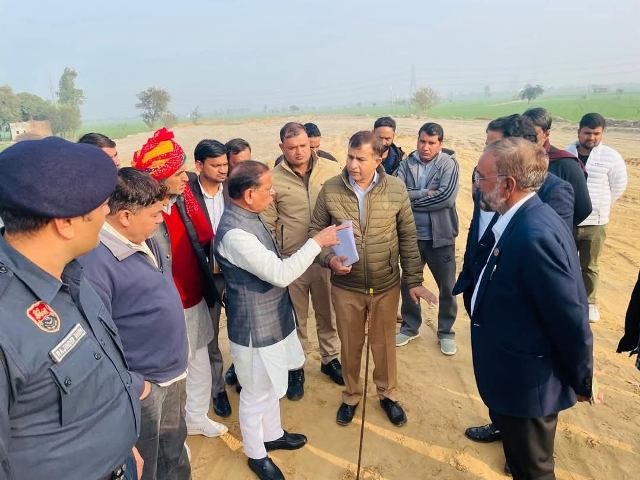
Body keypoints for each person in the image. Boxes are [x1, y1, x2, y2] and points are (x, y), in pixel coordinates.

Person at [0, 137, 144, 479]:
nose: (107, 213)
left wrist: (122, 444)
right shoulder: (7, 325)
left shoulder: (69, 271)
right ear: (64, 222)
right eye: (101, 205)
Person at [469, 137, 593, 479]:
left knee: (532, 471)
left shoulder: (534, 233)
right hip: (513, 375)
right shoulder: (520, 217)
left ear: (508, 185)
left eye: (481, 177)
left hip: (528, 387)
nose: (477, 185)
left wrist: (581, 378)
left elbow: (569, 316)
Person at [214, 160, 343, 480]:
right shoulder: (235, 234)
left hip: (273, 317)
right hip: (255, 328)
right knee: (255, 392)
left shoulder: (249, 215)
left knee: (270, 383)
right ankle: (256, 454)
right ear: (249, 195)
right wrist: (317, 242)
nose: (273, 194)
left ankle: (272, 434)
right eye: (268, 189)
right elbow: (281, 273)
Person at [460, 114, 575, 445]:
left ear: (517, 147)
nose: (486, 152)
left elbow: (551, 266)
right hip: (484, 292)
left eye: (493, 145)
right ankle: (501, 423)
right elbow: (479, 226)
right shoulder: (486, 178)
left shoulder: (554, 191)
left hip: (520, 309)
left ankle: (526, 449)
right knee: (497, 371)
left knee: (526, 390)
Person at [309, 130, 437, 427]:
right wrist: (329, 260)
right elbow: (315, 232)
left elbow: (408, 236)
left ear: (379, 159)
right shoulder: (331, 189)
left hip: (385, 285)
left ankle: (387, 394)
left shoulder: (396, 189)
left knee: (384, 345)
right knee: (350, 344)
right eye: (350, 157)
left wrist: (414, 279)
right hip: (346, 286)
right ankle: (351, 395)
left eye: (361, 159)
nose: (353, 165)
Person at [80, 168, 191, 480]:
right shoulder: (95, 264)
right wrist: (134, 384)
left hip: (171, 375)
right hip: (144, 388)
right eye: (155, 214)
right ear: (125, 216)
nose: (161, 220)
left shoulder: (146, 238)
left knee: (174, 451)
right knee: (148, 463)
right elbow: (93, 343)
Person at [132, 128, 228, 438]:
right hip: (167, 308)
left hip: (194, 297)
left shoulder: (182, 202)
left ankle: (197, 417)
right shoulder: (145, 217)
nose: (186, 178)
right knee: (172, 376)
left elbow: (205, 235)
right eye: (177, 173)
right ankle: (172, 434)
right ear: (159, 178)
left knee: (200, 362)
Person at [262, 122, 344, 401]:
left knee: (327, 313)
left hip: (326, 259)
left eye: (303, 145)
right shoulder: (272, 178)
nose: (299, 152)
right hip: (292, 261)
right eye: (292, 147)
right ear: (281, 148)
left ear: (310, 143)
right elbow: (268, 223)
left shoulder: (331, 170)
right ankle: (296, 367)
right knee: (296, 318)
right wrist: (276, 260)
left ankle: (330, 358)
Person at [395, 122, 460, 355]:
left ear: (440, 144)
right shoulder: (406, 163)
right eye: (422, 141)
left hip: (440, 236)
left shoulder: (448, 164)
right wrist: (424, 193)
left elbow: (446, 198)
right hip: (411, 235)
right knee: (409, 283)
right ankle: (410, 327)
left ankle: (446, 332)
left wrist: (411, 201)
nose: (425, 147)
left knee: (447, 286)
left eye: (431, 143)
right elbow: (397, 193)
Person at [565, 113, 628, 322]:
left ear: (602, 134)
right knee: (565, 263)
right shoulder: (566, 153)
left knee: (590, 265)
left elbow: (618, 186)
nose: (591, 137)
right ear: (579, 132)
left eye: (596, 133)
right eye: (587, 133)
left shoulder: (611, 157)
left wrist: (600, 205)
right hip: (568, 220)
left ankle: (590, 303)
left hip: (596, 223)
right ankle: (566, 299)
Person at [188, 139, 232, 417]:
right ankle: (218, 389)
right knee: (211, 337)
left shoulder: (233, 189)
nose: (223, 170)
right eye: (216, 165)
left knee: (241, 331)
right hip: (205, 276)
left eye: (225, 164)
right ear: (199, 165)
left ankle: (240, 376)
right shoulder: (187, 197)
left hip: (235, 273)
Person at [522, 107, 592, 226]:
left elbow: (583, 208)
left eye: (531, 135)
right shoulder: (517, 160)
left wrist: (558, 227)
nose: (526, 140)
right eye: (522, 134)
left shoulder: (566, 164)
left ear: (546, 134)